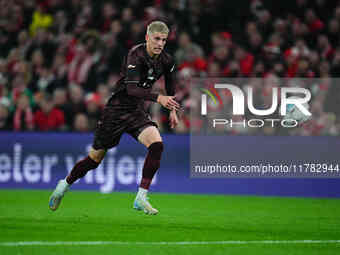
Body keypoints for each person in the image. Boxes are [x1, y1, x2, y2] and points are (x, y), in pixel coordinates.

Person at [49, 21, 180, 215]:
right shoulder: (135, 55)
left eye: (163, 40)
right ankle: (64, 184)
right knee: (94, 159)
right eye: (156, 39)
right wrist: (158, 98)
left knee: (157, 145)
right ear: (147, 38)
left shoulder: (167, 60)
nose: (160, 43)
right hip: (115, 111)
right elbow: (132, 89)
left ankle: (141, 197)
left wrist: (173, 110)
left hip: (136, 112)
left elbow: (170, 85)